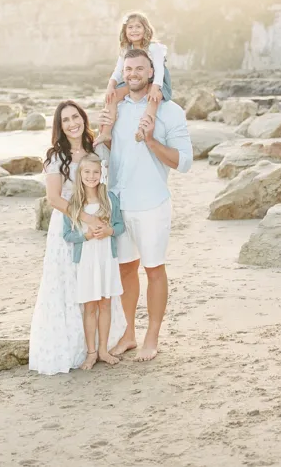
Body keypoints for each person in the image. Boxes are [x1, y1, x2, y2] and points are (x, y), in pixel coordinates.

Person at [99, 48, 193, 362]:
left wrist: (152, 141)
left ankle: (151, 337)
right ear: (122, 73)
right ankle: (128, 334)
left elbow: (185, 163)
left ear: (152, 73)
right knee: (126, 270)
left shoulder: (170, 112)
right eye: (128, 69)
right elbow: (108, 152)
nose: (133, 74)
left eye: (139, 68)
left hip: (151, 203)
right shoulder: (116, 108)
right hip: (118, 201)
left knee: (153, 270)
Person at [29, 100, 126, 375]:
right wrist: (86, 218)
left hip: (97, 223)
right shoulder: (56, 157)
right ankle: (75, 348)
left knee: (95, 283)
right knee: (68, 284)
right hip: (69, 224)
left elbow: (106, 179)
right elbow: (53, 199)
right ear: (59, 127)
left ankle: (100, 346)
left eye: (76, 117)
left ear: (84, 119)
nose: (72, 123)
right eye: (66, 120)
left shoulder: (93, 150)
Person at [62, 153, 125, 370]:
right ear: (80, 175)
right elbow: (67, 235)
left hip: (106, 258)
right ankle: (90, 353)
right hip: (87, 261)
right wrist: (85, 236)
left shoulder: (110, 198)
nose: (91, 176)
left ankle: (103, 350)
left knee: (105, 304)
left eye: (96, 172)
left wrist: (108, 230)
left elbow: (120, 226)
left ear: (102, 173)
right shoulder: (74, 203)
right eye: (87, 172)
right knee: (89, 307)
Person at [94, 12, 171, 146]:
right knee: (113, 96)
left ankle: (142, 129)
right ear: (125, 31)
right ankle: (106, 132)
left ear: (145, 29)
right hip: (134, 80)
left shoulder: (153, 47)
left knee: (154, 99)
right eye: (130, 27)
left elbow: (159, 71)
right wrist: (111, 85)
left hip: (155, 81)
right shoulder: (126, 49)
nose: (134, 30)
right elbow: (118, 70)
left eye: (138, 27)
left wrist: (155, 88)